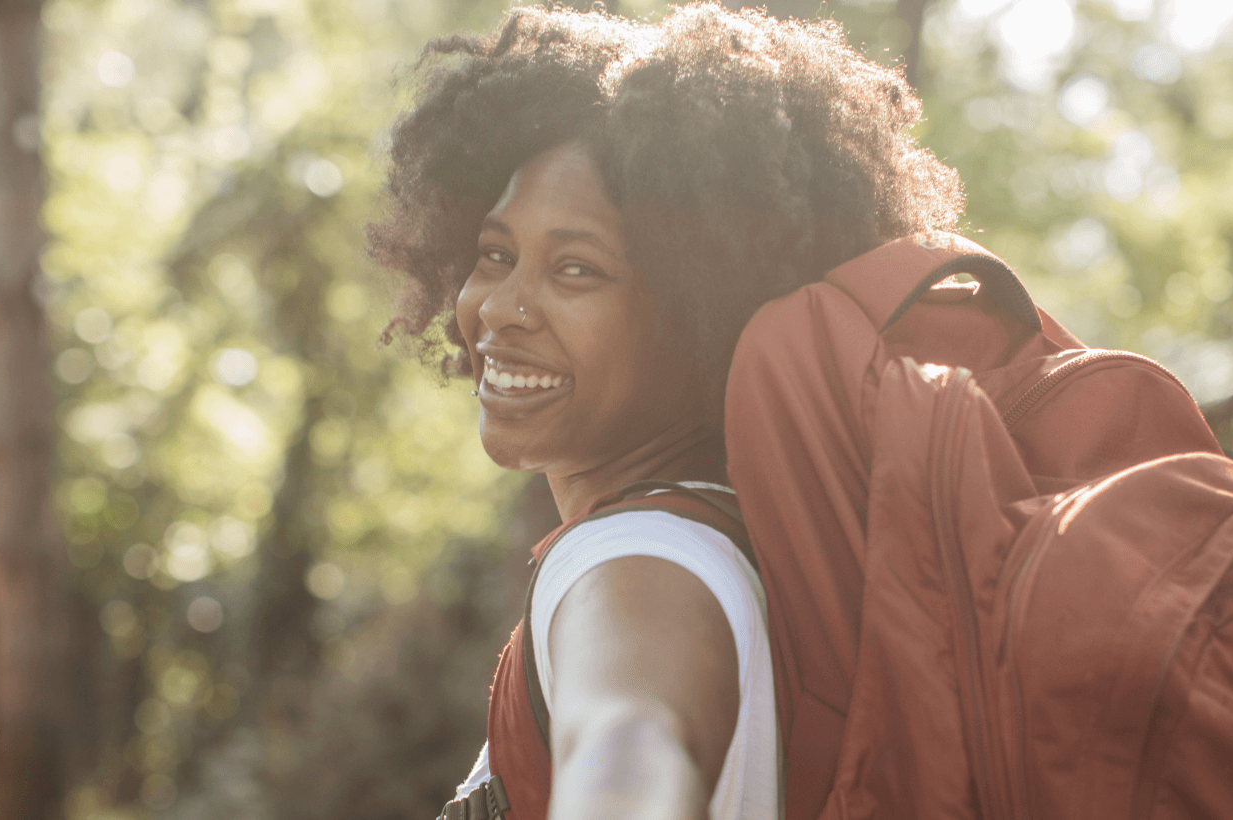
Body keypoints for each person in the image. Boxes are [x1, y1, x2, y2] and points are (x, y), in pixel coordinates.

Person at [366, 4, 963, 819]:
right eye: (496, 255)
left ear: (697, 313)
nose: (503, 307)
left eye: (576, 270)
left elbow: (629, 737)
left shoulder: (633, 556)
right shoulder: (754, 551)